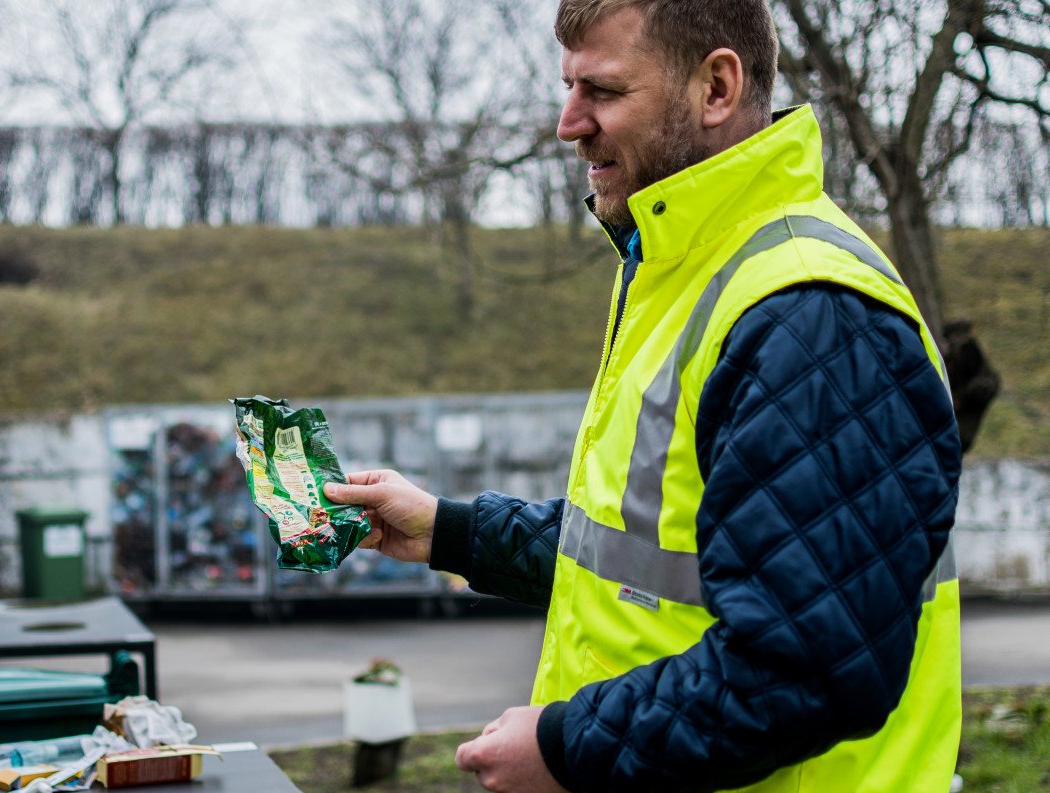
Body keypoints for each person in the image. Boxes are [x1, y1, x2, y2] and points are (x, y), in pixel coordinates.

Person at [324, 1, 963, 791]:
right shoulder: (685, 270)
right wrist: (453, 533)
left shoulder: (810, 315)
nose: (567, 123)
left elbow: (803, 668)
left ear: (717, 88)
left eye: (604, 90)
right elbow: (649, 561)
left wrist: (566, 746)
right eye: (567, 87)